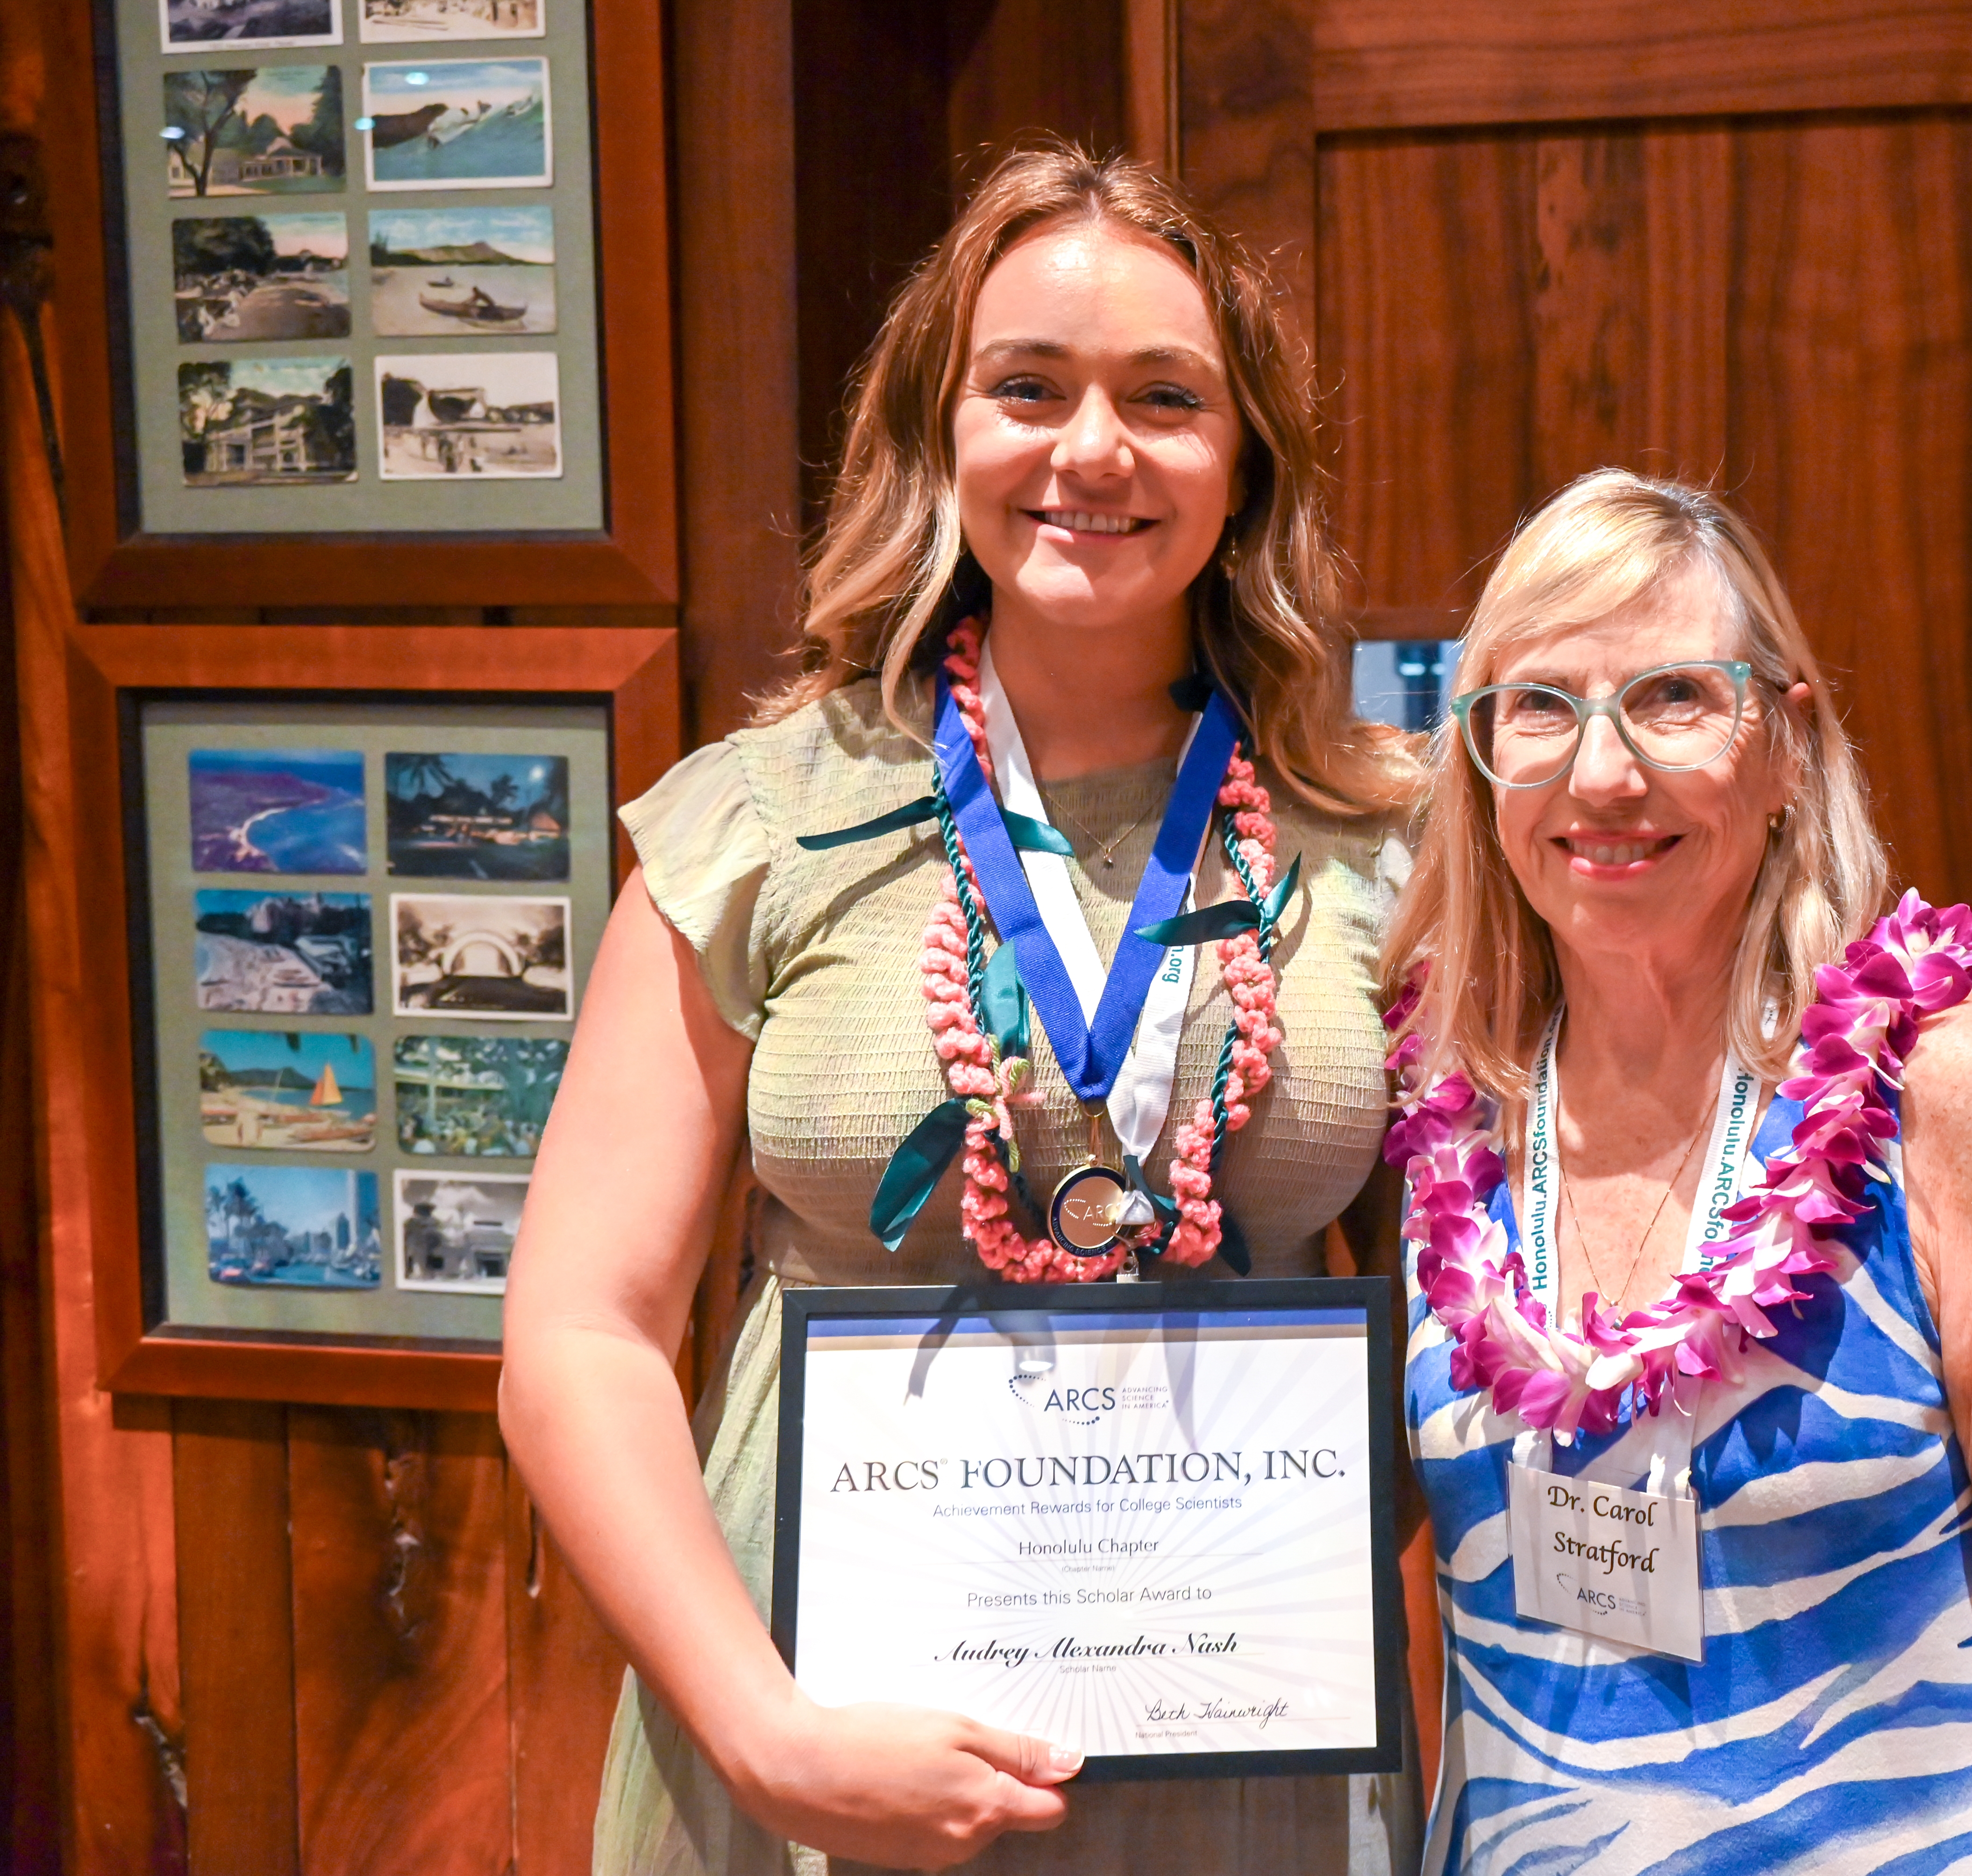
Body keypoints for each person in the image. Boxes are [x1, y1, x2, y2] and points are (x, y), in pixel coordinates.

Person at [499, 142, 1414, 1874]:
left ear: (1247, 462)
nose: (1093, 450)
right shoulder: (759, 819)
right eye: (1027, 388)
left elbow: (1484, 1308)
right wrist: (766, 1737)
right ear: (940, 435)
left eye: (1165, 395)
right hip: (813, 1725)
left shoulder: (1381, 836)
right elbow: (578, 1333)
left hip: (1239, 1740)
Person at [1382, 470, 1972, 1873]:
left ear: (1786, 744)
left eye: (1675, 697)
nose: (1603, 774)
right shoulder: (1448, 1116)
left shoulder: (1937, 1088)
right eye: (1542, 706)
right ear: (1479, 758)